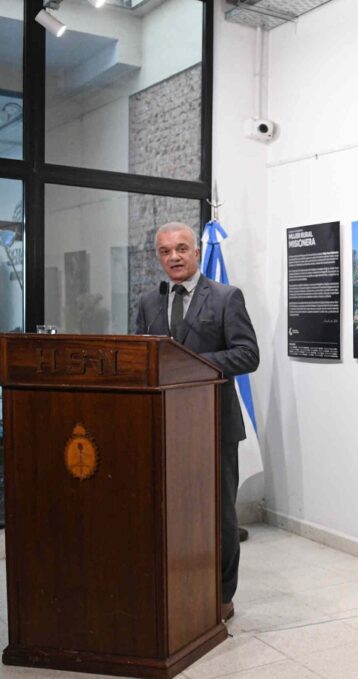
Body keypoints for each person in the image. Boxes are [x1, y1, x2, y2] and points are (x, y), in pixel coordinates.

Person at [133, 222, 259, 622]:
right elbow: (140, 358)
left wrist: (192, 364)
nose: (174, 257)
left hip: (215, 426)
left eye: (181, 248)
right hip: (165, 428)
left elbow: (247, 355)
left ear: (197, 252)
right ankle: (178, 590)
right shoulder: (148, 303)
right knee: (173, 514)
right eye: (165, 251)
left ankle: (221, 595)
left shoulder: (225, 297)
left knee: (218, 515)